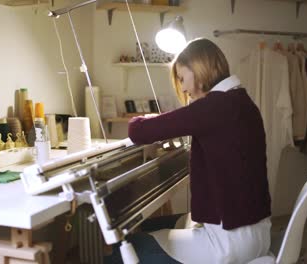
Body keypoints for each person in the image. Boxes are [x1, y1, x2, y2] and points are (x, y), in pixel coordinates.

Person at [104, 38, 272, 264]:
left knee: (123, 250)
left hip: (229, 242)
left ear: (200, 69)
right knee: (150, 227)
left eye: (182, 78)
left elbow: (138, 130)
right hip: (255, 232)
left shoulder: (216, 106)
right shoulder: (241, 101)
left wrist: (152, 118)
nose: (183, 88)